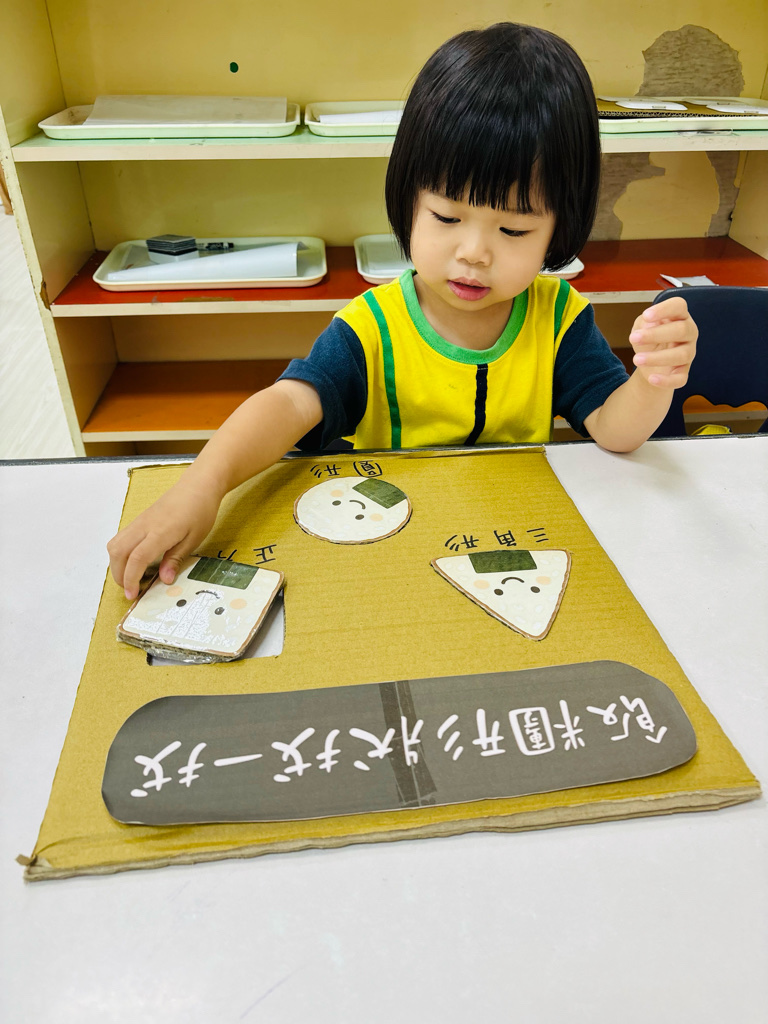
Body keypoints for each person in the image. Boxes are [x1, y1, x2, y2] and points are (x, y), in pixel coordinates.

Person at [108, 22, 697, 600]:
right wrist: (203, 484)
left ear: (559, 228)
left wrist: (653, 380)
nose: (474, 253)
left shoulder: (560, 318)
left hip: (507, 545)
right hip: (387, 549)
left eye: (514, 229)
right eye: (447, 217)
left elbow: (615, 431)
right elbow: (289, 403)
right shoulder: (373, 327)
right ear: (408, 199)